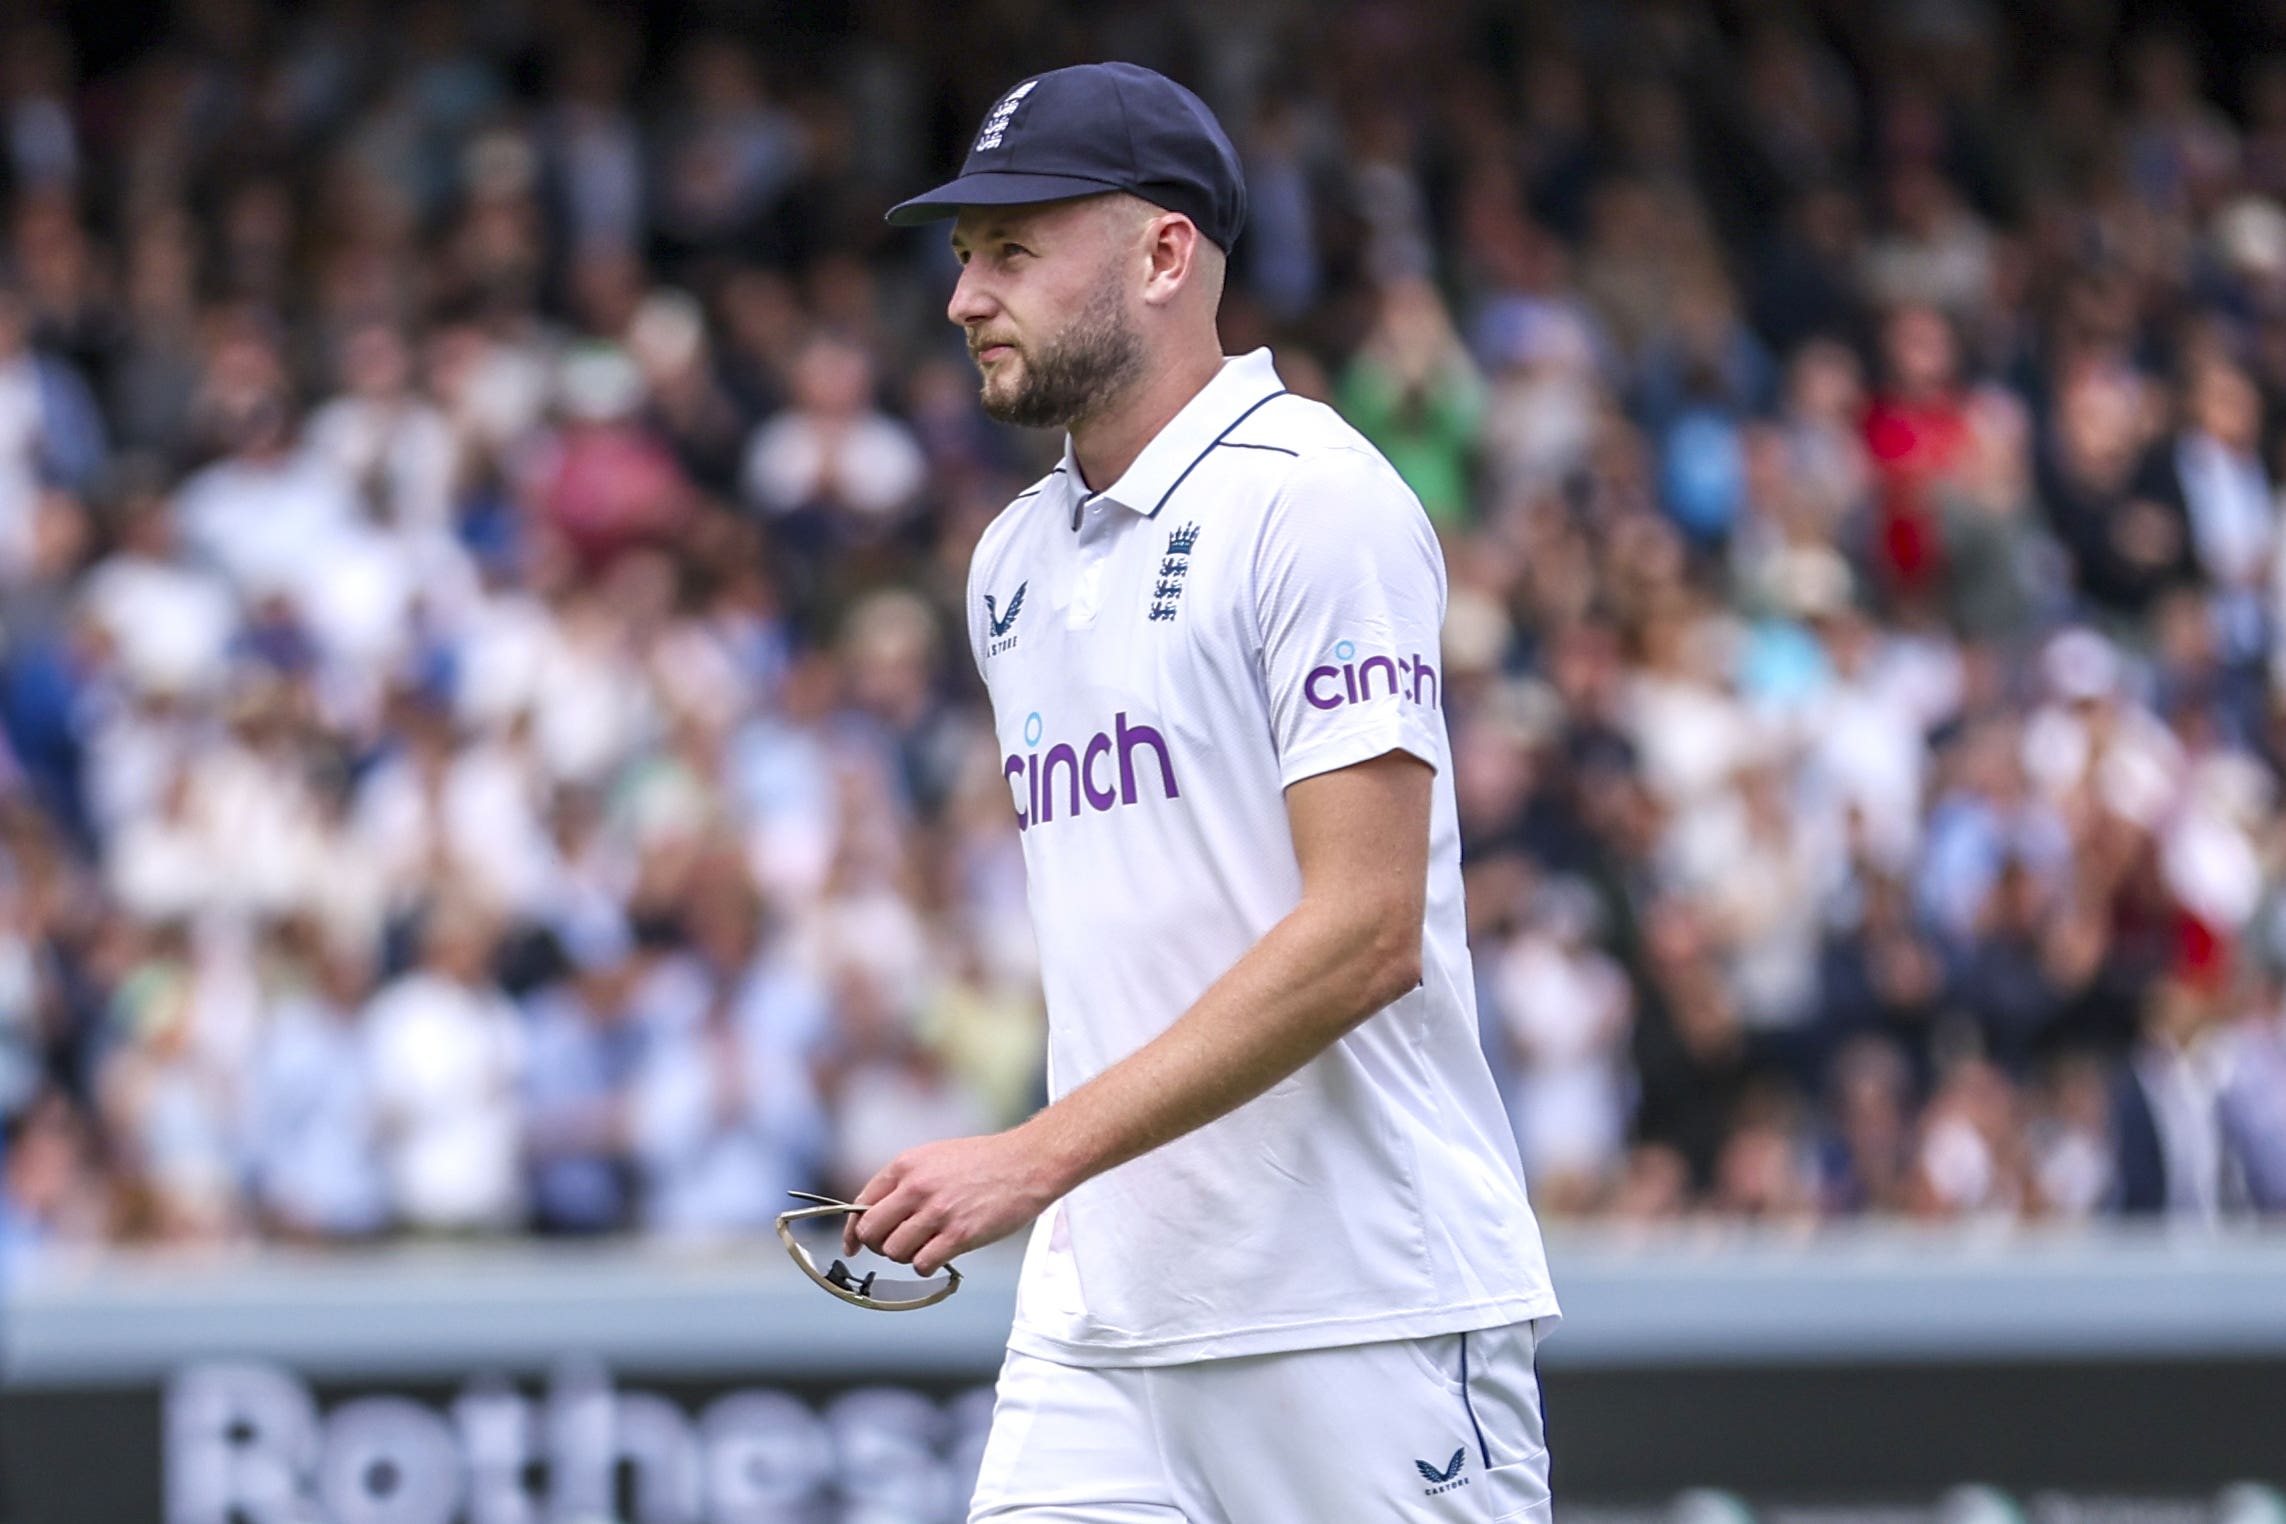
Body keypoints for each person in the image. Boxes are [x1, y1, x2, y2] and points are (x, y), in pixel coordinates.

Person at [852, 63, 1557, 1523]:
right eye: (963, 256)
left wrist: (1027, 1160)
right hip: (1098, 1321)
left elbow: (1367, 932)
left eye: (1013, 251)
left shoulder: (1316, 501)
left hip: (1354, 1304)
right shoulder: (1007, 563)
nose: (963, 297)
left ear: (1165, 253)